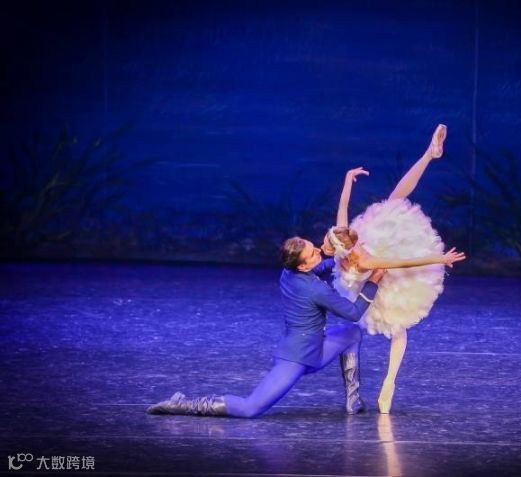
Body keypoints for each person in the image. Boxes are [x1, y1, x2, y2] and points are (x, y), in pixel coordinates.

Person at [146, 238, 384, 417]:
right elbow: (353, 312)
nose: (319, 252)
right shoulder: (315, 289)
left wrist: (341, 261)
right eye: (313, 253)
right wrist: (373, 280)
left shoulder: (288, 272)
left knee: (352, 334)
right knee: (250, 408)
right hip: (297, 357)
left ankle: (353, 401)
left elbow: (319, 269)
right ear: (302, 266)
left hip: (316, 348)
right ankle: (182, 404)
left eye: (314, 248)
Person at [320, 124, 464, 413]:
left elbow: (401, 262)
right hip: (365, 282)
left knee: (398, 328)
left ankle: (389, 385)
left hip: (383, 275)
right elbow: (344, 207)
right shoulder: (347, 241)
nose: (323, 242)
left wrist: (438, 259)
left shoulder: (359, 256)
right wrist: (348, 179)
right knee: (394, 200)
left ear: (341, 248)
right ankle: (429, 154)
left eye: (326, 242)